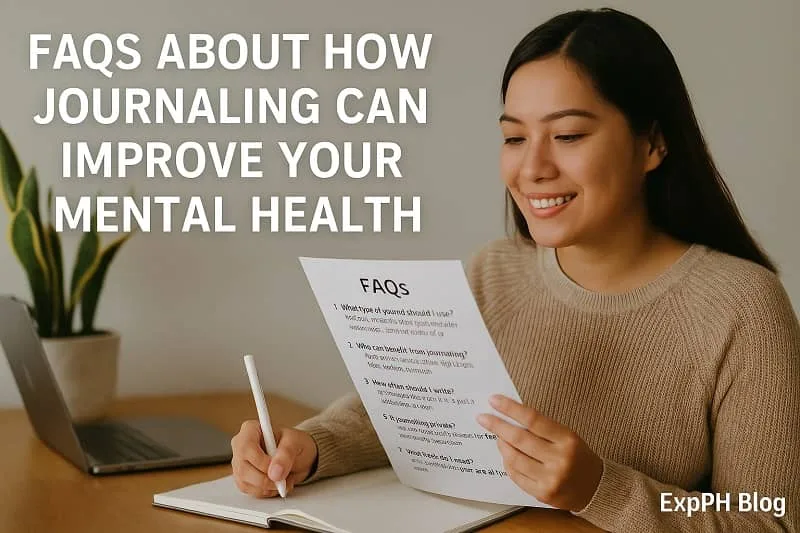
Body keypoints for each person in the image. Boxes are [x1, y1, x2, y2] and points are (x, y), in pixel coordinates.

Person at [230, 7, 799, 532]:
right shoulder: (495, 271)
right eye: (514, 137)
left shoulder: (743, 308)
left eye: (568, 135)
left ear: (652, 144)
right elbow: (408, 414)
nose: (533, 168)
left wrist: (601, 489)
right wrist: (308, 447)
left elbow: (768, 519)